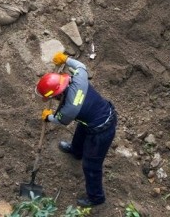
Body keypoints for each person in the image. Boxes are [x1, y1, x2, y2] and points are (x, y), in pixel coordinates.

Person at [40, 52, 117, 208]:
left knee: (91, 166)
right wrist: (66, 59)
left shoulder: (69, 110)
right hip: (99, 113)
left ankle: (96, 198)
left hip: (101, 131)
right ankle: (76, 151)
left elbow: (60, 120)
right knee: (81, 130)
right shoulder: (79, 78)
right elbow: (81, 66)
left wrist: (48, 117)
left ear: (56, 95)